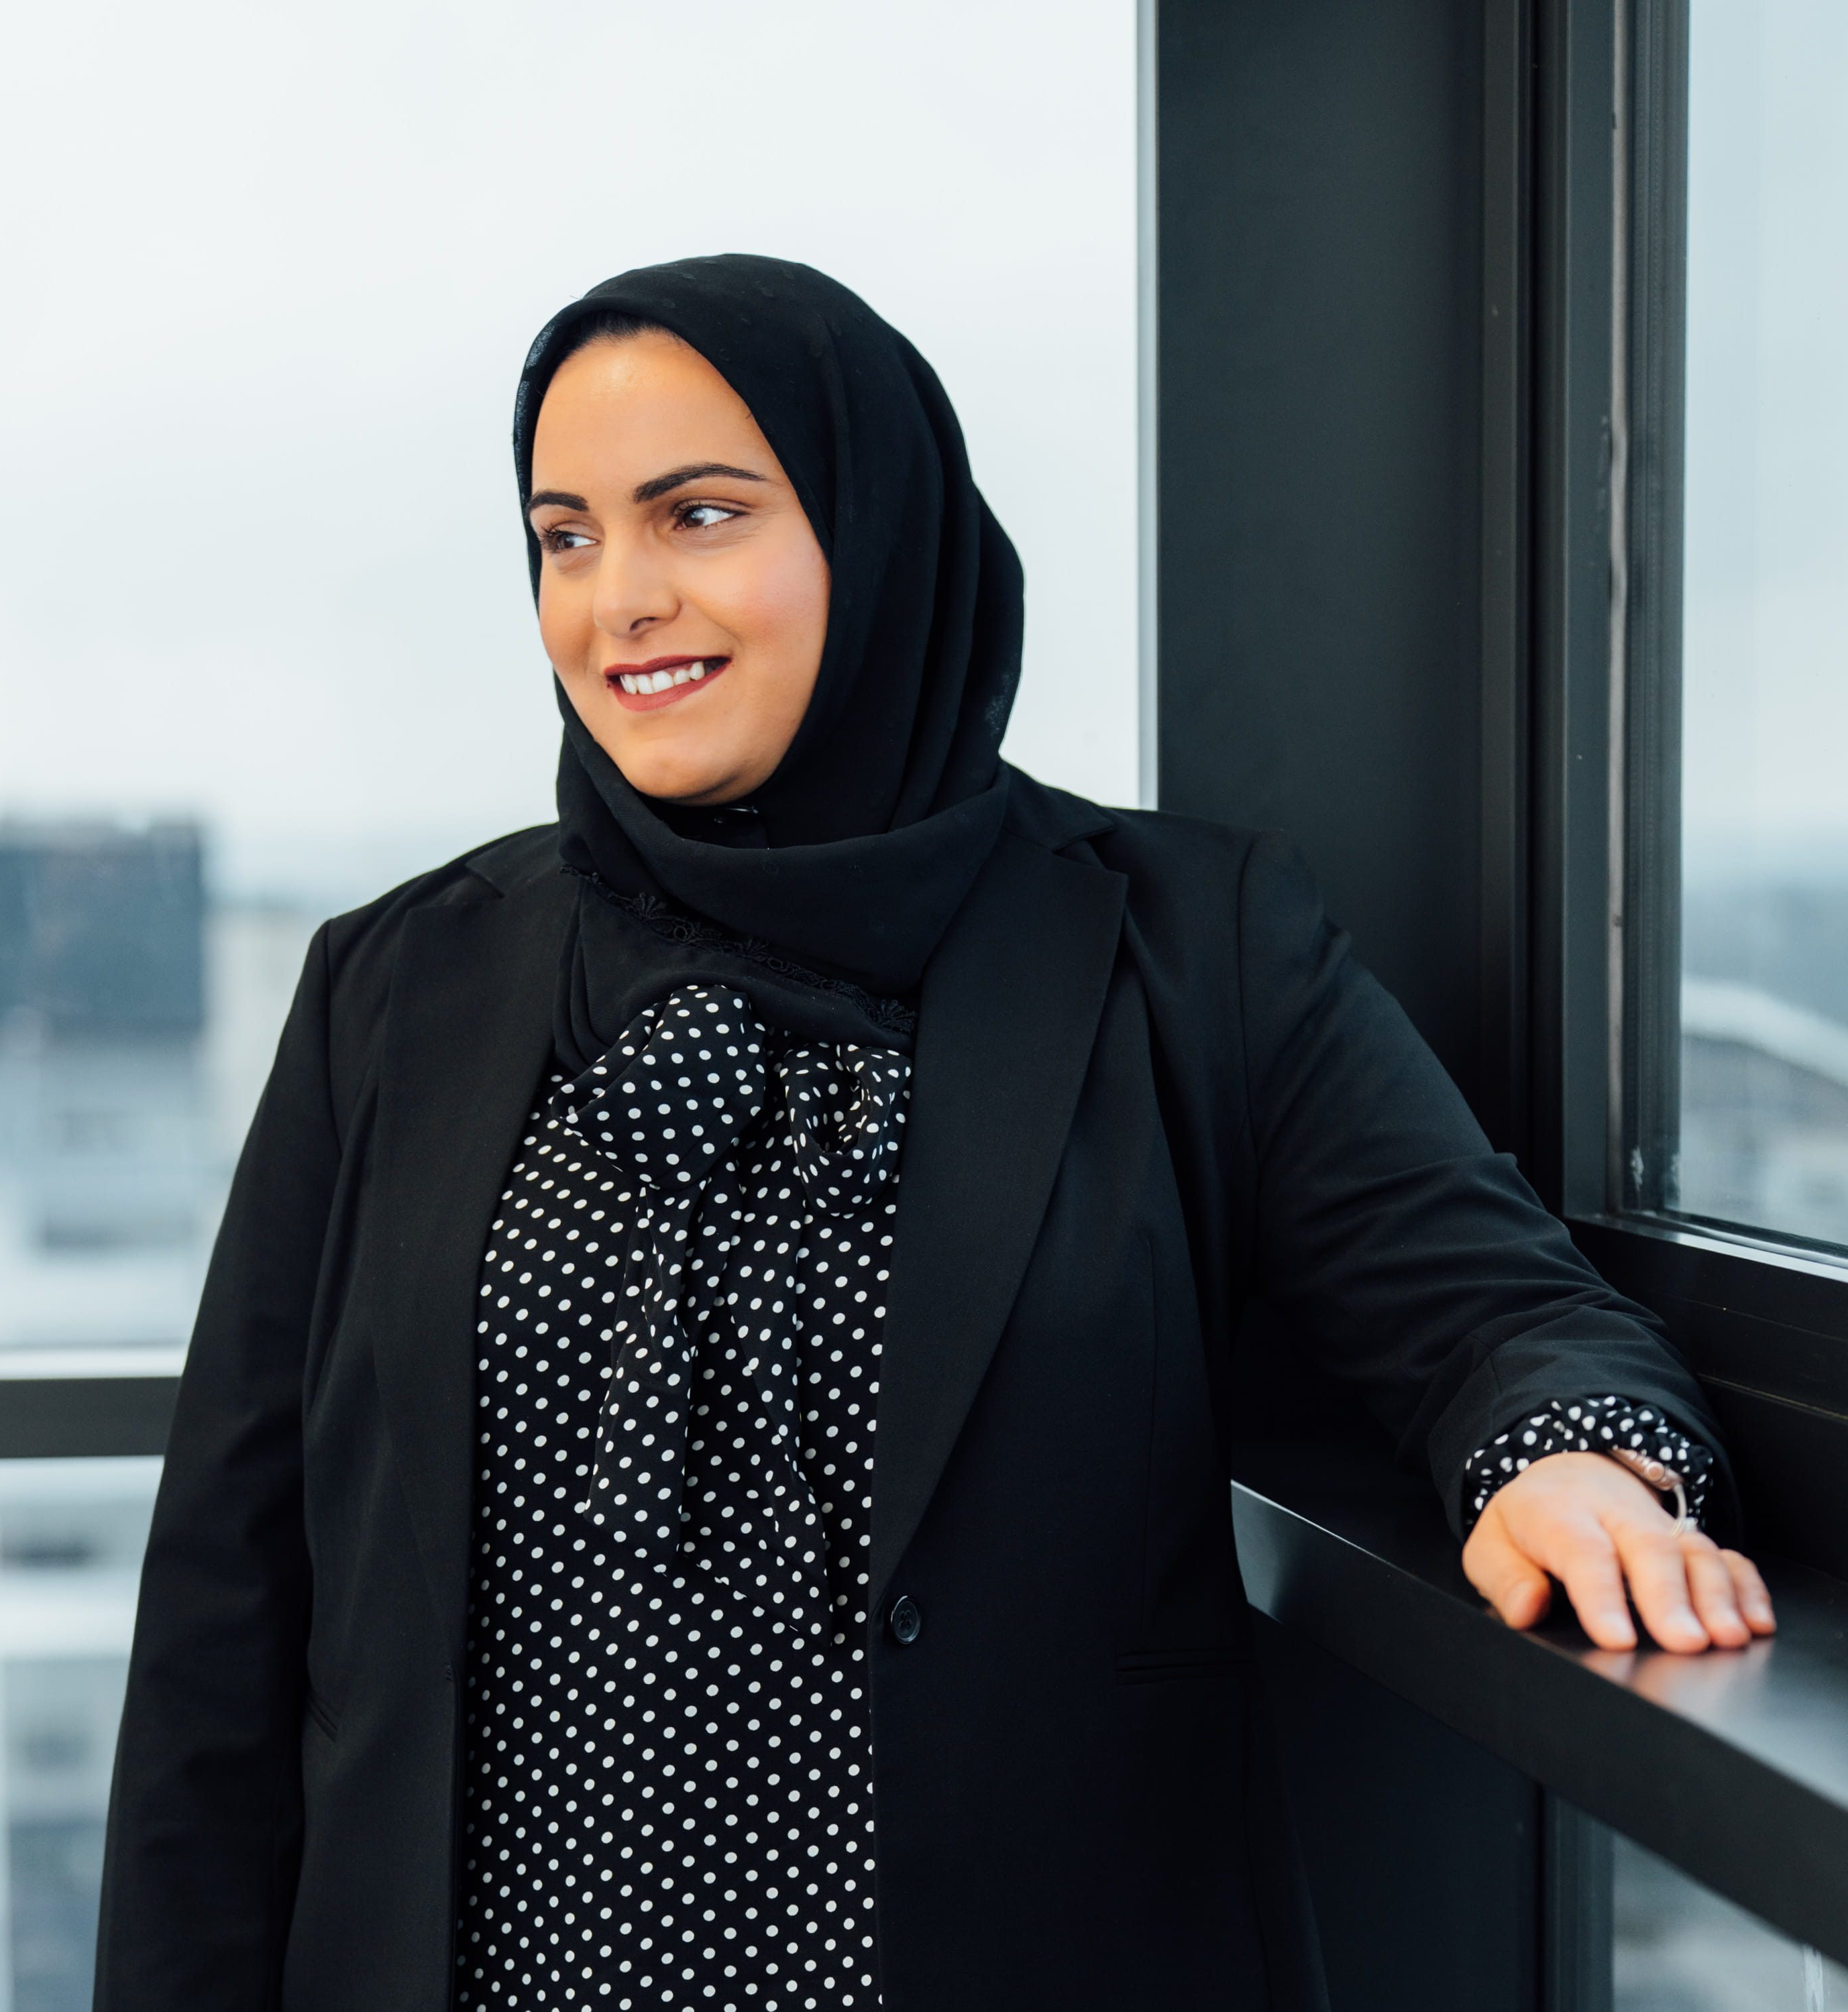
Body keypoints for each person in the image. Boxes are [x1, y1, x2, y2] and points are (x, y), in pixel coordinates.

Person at [93, 255, 1774, 2012]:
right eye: (565, 536)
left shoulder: (1189, 948)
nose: (620, 601)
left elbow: (1497, 1311)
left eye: (699, 514)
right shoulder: (393, 986)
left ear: (876, 529)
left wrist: (1566, 1457)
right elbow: (230, 1614)